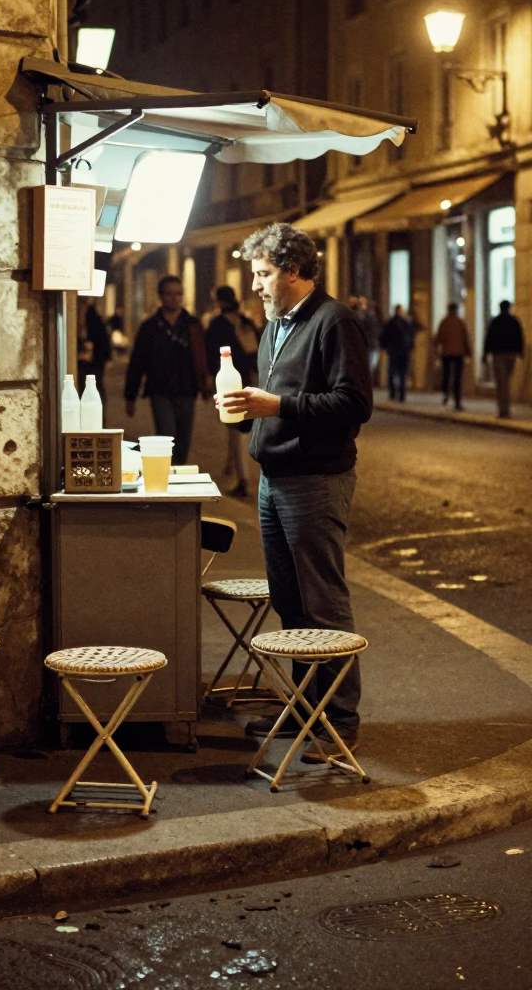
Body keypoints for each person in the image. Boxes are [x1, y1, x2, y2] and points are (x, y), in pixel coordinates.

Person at [217, 223, 372, 761]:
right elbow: (274, 399)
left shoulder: (334, 322)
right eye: (254, 275)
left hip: (316, 481)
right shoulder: (275, 325)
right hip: (275, 478)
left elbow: (354, 404)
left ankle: (340, 719)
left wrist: (277, 408)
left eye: (263, 275)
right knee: (290, 600)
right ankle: (307, 708)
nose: (255, 286)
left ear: (294, 272)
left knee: (323, 600)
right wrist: (250, 418)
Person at [124, 275, 211, 464]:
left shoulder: (192, 325)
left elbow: (203, 356)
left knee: (183, 440)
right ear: (161, 296)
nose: (174, 298)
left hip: (187, 390)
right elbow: (137, 361)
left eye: (178, 293)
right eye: (169, 294)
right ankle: (166, 477)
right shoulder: (150, 327)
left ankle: (179, 477)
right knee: (166, 437)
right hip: (160, 391)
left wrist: (206, 384)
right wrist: (130, 395)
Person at [205, 285, 260, 497]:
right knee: (237, 427)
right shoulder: (245, 321)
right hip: (251, 378)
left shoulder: (218, 324)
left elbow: (211, 353)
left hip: (228, 381)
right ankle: (231, 467)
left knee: (234, 428)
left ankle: (243, 479)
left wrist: (209, 379)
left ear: (219, 301)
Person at [483, 300, 525, 418]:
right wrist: (520, 352)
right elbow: (519, 336)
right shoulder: (514, 321)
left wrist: (485, 354)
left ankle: (503, 409)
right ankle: (505, 409)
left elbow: (489, 338)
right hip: (511, 354)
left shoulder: (495, 322)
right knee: (506, 381)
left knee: (502, 382)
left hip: (499, 354)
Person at [435, 302, 471, 410]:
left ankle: (446, 393)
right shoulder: (461, 322)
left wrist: (436, 350)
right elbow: (466, 338)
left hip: (446, 353)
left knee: (446, 374)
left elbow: (438, 338)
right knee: (457, 377)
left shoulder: (444, 322)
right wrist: (469, 352)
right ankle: (457, 401)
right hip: (459, 353)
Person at [77, 299, 111, 402]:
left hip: (94, 362)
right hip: (92, 362)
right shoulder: (94, 322)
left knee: (94, 386)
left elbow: (102, 342)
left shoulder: (92, 322)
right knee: (94, 387)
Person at [379, 305, 414, 401]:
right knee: (401, 373)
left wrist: (385, 346)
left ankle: (394, 393)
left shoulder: (391, 323)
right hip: (402, 351)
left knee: (393, 372)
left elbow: (383, 337)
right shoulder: (405, 323)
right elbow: (411, 337)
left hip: (394, 351)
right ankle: (401, 394)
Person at [355, 296, 383, 378]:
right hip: (364, 345)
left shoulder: (373, 318)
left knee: (371, 366)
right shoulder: (359, 315)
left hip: (372, 344)